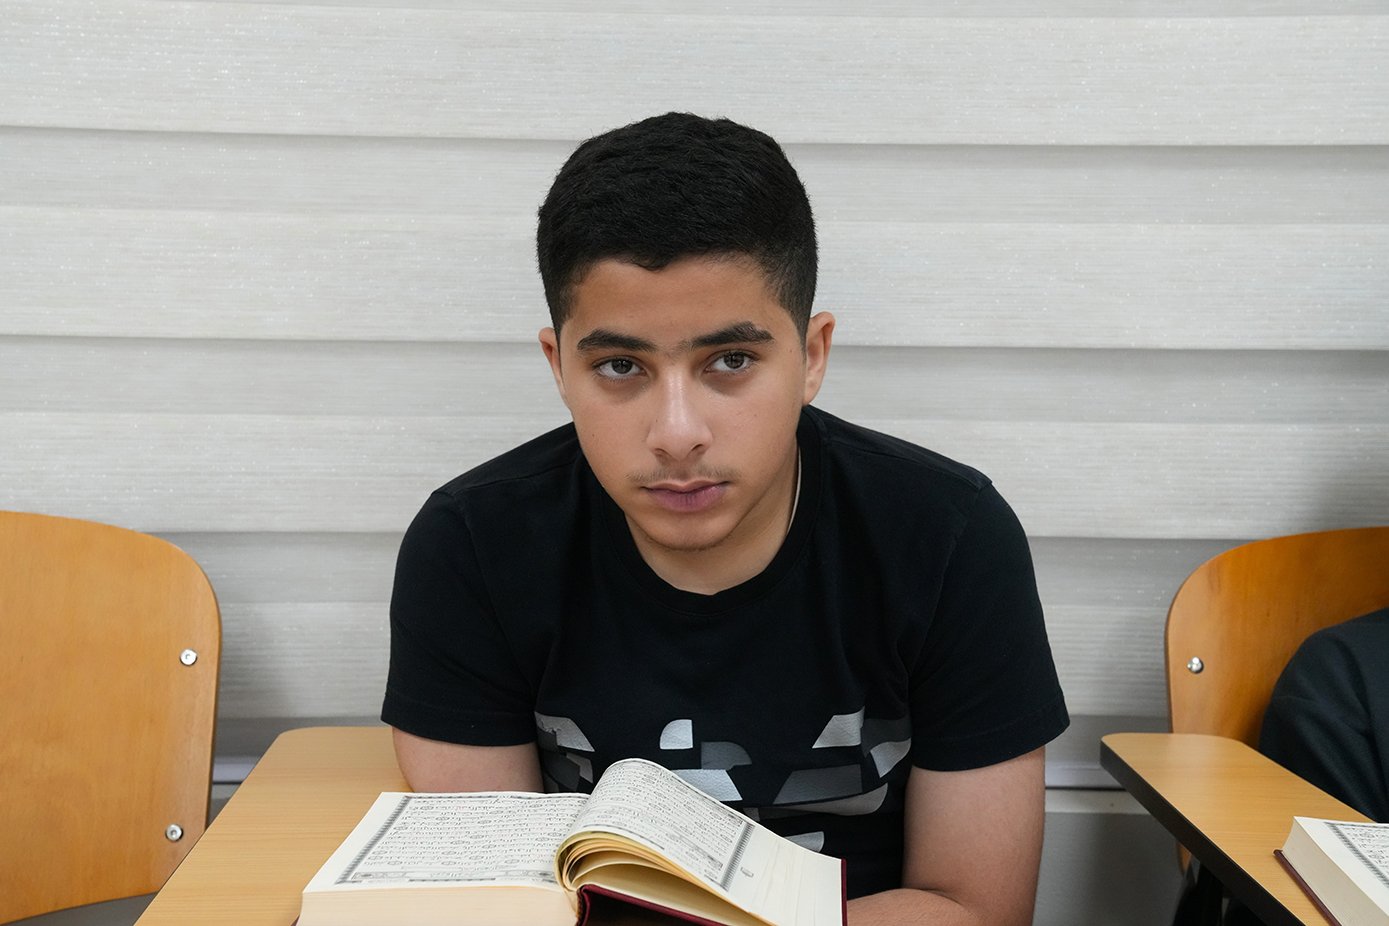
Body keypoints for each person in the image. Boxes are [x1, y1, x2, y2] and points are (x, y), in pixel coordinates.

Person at [382, 112, 1069, 924]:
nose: (677, 434)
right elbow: (495, 902)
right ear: (557, 366)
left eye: (731, 361)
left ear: (812, 355)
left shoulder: (949, 536)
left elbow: (974, 910)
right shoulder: (471, 546)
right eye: (620, 366)